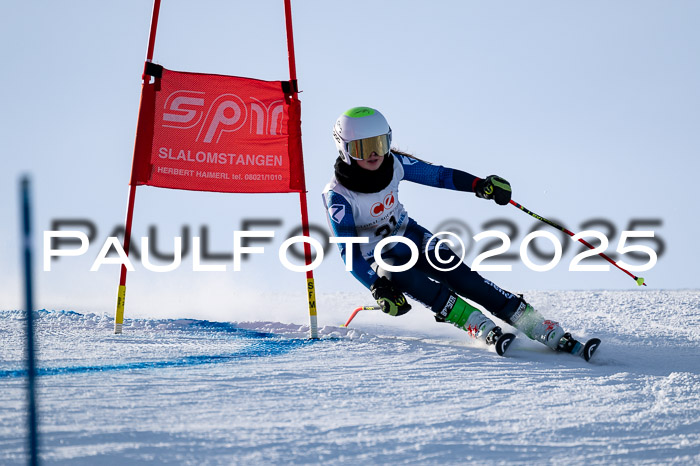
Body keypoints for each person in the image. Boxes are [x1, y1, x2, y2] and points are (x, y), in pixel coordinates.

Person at [322, 106, 600, 360]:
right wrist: (376, 286)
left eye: (379, 143)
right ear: (345, 149)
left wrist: (480, 185)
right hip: (382, 259)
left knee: (466, 280)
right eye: (363, 147)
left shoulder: (395, 163)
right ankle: (474, 323)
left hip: (412, 236)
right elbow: (349, 254)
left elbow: (439, 175)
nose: (374, 154)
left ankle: (537, 325)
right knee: (400, 275)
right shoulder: (338, 196)